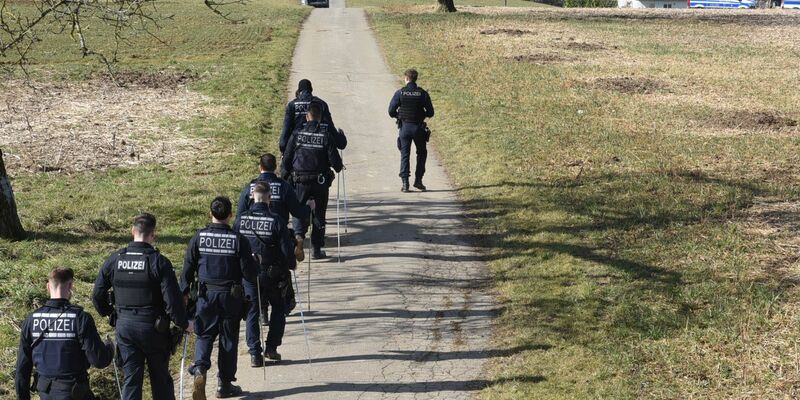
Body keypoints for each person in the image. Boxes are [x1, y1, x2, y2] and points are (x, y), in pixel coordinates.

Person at [92, 213, 189, 400]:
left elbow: (97, 296)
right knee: (160, 380)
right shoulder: (158, 262)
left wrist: (111, 314)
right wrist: (184, 323)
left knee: (131, 380)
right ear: (153, 234)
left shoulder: (115, 260)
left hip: (125, 328)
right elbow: (172, 301)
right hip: (154, 330)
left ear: (132, 231)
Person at [180, 196, 259, 399]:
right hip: (230, 297)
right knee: (228, 339)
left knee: (204, 334)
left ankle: (200, 368)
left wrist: (184, 293)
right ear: (230, 215)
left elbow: (187, 269)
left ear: (210, 214)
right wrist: (255, 263)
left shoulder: (198, 238)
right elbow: (249, 274)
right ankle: (224, 384)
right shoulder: (238, 240)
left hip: (205, 296)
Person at [16, 267, 114, 400]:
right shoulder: (80, 318)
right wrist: (109, 348)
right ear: (70, 286)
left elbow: (22, 368)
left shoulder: (31, 320)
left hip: (46, 393)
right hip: (75, 393)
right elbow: (99, 360)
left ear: (48, 287)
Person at [235, 182, 297, 366]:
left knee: (252, 311)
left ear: (252, 197)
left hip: (249, 274)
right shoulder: (276, 220)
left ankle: (255, 353)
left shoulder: (241, 220)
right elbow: (286, 249)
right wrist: (291, 265)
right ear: (270, 198)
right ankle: (271, 348)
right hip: (272, 274)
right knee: (278, 308)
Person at [281, 102, 344, 259]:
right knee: (319, 214)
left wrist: (285, 175)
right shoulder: (325, 136)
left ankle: (298, 236)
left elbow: (286, 158)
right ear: (320, 117)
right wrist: (338, 167)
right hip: (320, 182)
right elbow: (336, 163)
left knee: (297, 210)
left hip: (299, 180)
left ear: (307, 117)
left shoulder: (296, 134)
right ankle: (316, 249)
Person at [236, 153, 311, 262]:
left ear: (260, 167)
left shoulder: (249, 188)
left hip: (252, 239)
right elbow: (297, 212)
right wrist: (309, 207)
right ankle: (295, 244)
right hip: (278, 236)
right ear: (275, 167)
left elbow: (239, 216)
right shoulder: (284, 187)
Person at [388, 68, 435, 192]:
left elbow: (391, 111)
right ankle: (418, 180)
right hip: (418, 128)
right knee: (422, 153)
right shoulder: (423, 94)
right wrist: (421, 115)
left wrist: (398, 116)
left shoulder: (400, 93)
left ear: (406, 79)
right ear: (416, 79)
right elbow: (431, 112)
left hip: (405, 128)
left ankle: (405, 184)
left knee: (405, 155)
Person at [279, 79, 347, 154]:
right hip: (319, 150)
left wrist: (284, 149)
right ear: (311, 90)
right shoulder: (321, 104)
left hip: (298, 150)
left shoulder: (292, 105)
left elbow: (285, 131)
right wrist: (340, 140)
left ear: (299, 91)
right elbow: (329, 126)